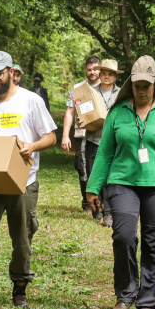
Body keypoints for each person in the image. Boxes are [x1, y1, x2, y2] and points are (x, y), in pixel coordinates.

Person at [86, 55, 155, 309]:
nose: (142, 89)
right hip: (123, 183)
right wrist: (93, 187)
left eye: (147, 85)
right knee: (123, 237)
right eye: (137, 85)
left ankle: (148, 302)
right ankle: (125, 295)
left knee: (153, 244)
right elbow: (104, 153)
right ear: (130, 85)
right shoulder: (118, 112)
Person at [0, 50, 57, 309]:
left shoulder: (31, 101)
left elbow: (50, 136)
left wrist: (33, 146)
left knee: (22, 238)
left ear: (11, 73)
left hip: (23, 181)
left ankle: (19, 286)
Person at [82, 59, 122, 227]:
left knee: (110, 178)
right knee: (93, 175)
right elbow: (83, 114)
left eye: (110, 74)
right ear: (99, 73)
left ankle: (108, 213)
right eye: (104, 73)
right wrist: (81, 120)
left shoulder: (122, 94)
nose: (106, 76)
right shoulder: (90, 92)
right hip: (94, 139)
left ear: (115, 76)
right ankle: (96, 207)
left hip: (113, 142)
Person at [61, 56, 101, 215]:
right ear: (85, 70)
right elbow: (70, 112)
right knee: (82, 167)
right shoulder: (78, 88)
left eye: (95, 69)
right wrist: (65, 135)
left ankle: (102, 202)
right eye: (89, 69)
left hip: (102, 135)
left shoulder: (107, 87)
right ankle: (87, 202)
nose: (92, 72)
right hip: (82, 135)